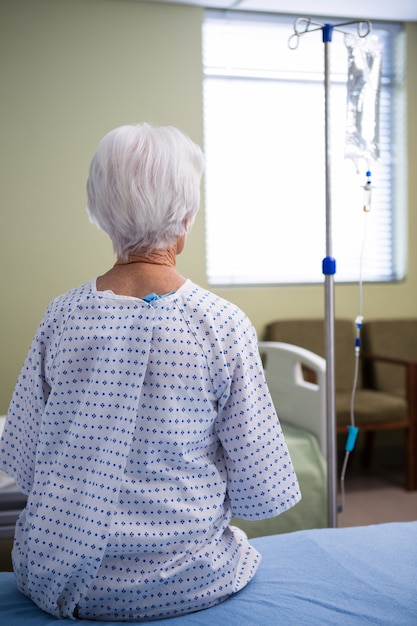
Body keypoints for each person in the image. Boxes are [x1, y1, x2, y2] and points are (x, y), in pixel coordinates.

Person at [0, 123, 301, 621]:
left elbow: (25, 459)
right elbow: (259, 484)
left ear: (100, 212)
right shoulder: (221, 325)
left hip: (59, 576)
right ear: (186, 217)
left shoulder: (63, 316)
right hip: (186, 579)